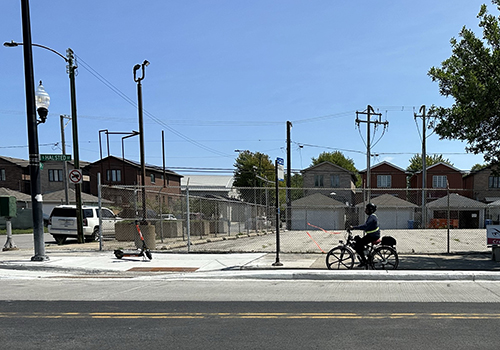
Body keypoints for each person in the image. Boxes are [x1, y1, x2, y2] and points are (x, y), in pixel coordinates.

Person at [350, 203, 380, 267]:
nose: (365, 210)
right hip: (372, 235)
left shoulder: (372, 217)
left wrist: (354, 227)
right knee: (358, 241)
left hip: (373, 236)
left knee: (358, 246)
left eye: (366, 209)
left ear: (370, 210)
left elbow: (365, 226)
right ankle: (366, 257)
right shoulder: (372, 216)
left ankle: (364, 261)